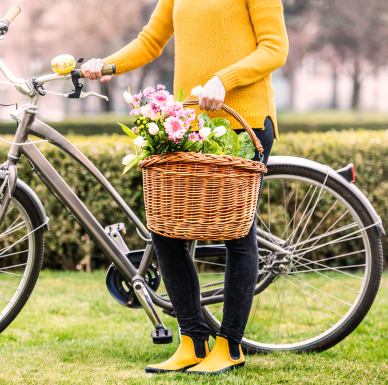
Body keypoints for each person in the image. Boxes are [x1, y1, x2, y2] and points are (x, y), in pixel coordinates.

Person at [81, 0, 288, 376]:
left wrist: (223, 80)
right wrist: (107, 65)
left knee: (238, 235)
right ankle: (193, 341)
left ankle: (229, 346)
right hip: (190, 126)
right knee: (165, 228)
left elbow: (275, 48)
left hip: (244, 124)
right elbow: (150, 41)